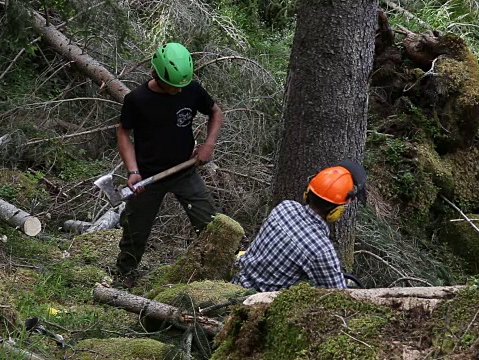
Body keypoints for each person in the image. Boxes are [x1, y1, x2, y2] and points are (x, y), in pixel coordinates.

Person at [114, 42, 223, 288]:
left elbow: (216, 112)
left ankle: (215, 277)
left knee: (211, 223)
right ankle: (123, 278)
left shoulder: (192, 90)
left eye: (181, 85)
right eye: (174, 85)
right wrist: (133, 171)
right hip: (147, 177)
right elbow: (123, 133)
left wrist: (209, 144)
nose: (178, 90)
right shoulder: (138, 99)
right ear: (157, 75)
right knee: (135, 232)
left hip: (184, 169)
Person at [232, 160, 367, 292]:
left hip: (235, 283)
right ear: (336, 211)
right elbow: (338, 296)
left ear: (308, 193)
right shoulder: (321, 250)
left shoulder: (285, 207)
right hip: (254, 304)